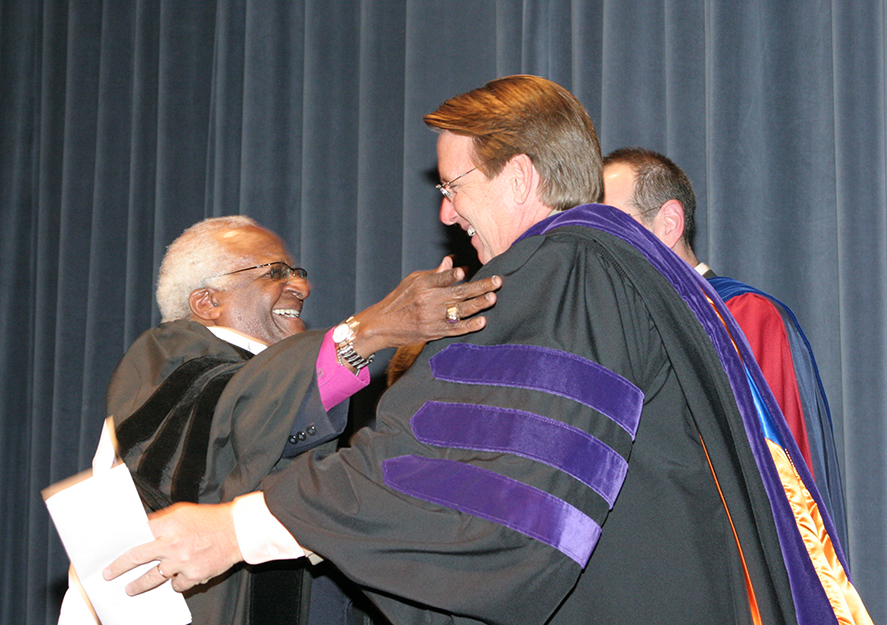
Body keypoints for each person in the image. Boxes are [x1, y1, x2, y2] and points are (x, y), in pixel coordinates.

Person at [106, 76, 870, 624]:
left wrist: (235, 526)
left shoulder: (566, 268)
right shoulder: (631, 272)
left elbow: (486, 493)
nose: (444, 211)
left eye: (453, 186)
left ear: (521, 176)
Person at [60, 215, 501, 625]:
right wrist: (369, 332)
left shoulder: (291, 384)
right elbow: (236, 417)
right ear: (207, 301)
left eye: (299, 273)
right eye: (275, 272)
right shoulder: (169, 361)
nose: (301, 288)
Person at [602, 147, 849, 549]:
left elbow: (784, 486)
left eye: (612, 227)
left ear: (668, 223)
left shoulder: (745, 319)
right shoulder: (610, 329)